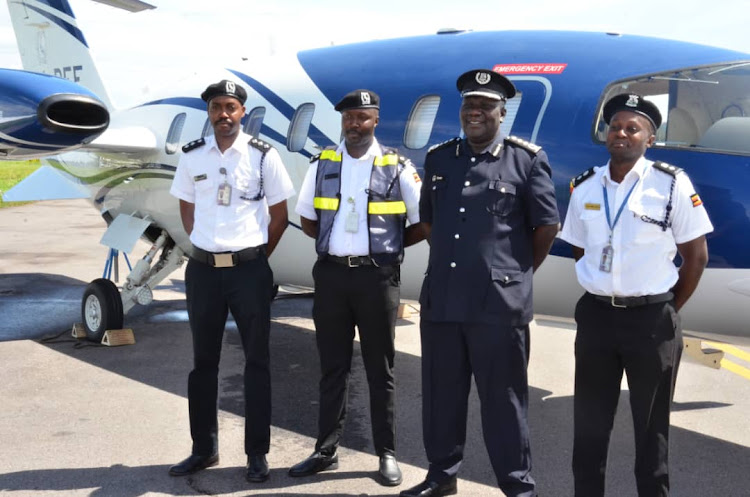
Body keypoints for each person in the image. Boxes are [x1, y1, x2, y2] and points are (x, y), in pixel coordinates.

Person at [401, 70, 560, 497]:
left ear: (501, 113)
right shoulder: (439, 158)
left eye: (486, 106)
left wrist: (513, 273)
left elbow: (545, 227)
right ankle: (441, 475)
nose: (476, 112)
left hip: (498, 306)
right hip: (444, 301)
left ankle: (517, 487)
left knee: (503, 402)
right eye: (470, 104)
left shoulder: (525, 160)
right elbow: (429, 220)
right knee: (441, 396)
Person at [560, 93, 713, 497]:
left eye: (633, 128)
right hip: (596, 317)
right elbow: (580, 247)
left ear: (650, 138)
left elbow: (695, 256)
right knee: (590, 424)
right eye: (615, 127)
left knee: (651, 429)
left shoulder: (671, 184)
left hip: (651, 320)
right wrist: (603, 283)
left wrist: (666, 308)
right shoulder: (585, 185)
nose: (622, 133)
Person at [289, 89, 424, 487]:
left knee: (380, 370)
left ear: (376, 121)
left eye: (362, 117)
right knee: (333, 368)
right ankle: (325, 450)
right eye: (348, 117)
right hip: (331, 277)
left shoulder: (397, 167)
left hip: (376, 278)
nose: (354, 124)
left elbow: (419, 223)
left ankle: (386, 453)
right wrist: (338, 249)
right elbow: (309, 219)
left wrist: (383, 251)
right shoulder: (322, 163)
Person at [168, 79, 295, 483]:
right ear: (209, 113)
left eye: (230, 107)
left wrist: (255, 258)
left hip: (249, 271)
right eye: (216, 107)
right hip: (203, 271)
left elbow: (279, 214)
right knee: (202, 363)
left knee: (257, 363)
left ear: (242, 112)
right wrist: (207, 245)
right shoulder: (192, 157)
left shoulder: (262, 157)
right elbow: (187, 208)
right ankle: (203, 449)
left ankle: (256, 454)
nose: (223, 114)